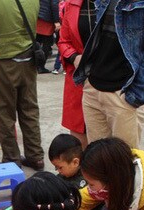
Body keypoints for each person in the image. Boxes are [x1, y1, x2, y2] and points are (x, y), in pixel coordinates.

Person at [73, 0, 144, 148]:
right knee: (97, 163)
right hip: (93, 88)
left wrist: (137, 95)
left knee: (123, 164)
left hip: (123, 93)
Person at [0, 0, 45, 171]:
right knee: (29, 110)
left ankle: (11, 158)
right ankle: (35, 156)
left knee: (4, 114)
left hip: (5, 62)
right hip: (29, 60)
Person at [57, 0, 95, 147]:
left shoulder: (120, 4)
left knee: (110, 149)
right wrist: (74, 57)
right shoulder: (72, 4)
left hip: (111, 79)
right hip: (79, 79)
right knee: (80, 142)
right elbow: (63, 41)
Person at [48, 134, 103, 210]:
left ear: (75, 162)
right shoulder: (61, 177)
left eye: (60, 167)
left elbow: (102, 201)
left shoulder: (90, 177)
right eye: (56, 168)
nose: (58, 171)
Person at [36, 0, 60, 74]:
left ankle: (35, 65)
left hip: (37, 16)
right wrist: (56, 21)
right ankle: (41, 66)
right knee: (47, 43)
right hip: (47, 19)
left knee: (36, 42)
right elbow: (54, 5)